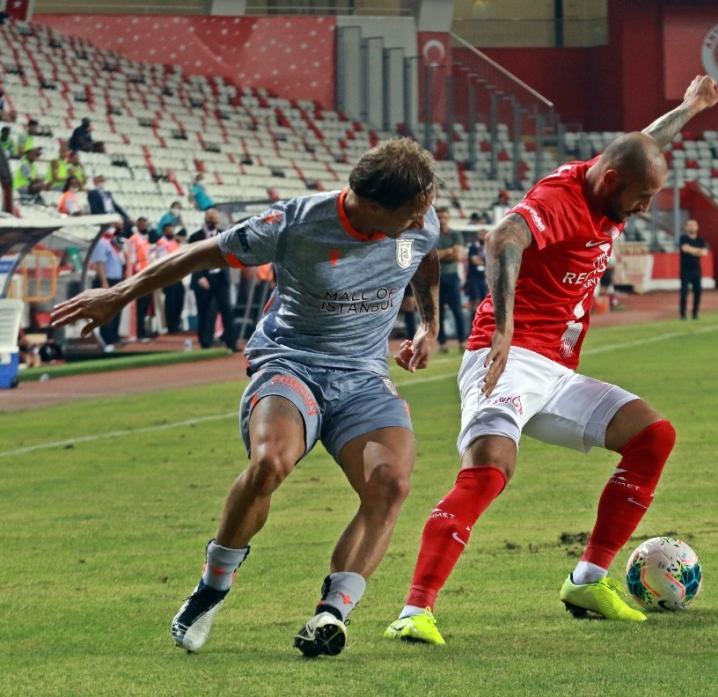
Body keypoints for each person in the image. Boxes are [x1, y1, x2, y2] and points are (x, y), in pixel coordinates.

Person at [51, 137, 441, 658]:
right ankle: (211, 589)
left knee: (390, 484)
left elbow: (424, 256)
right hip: (291, 361)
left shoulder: (419, 222)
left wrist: (429, 325)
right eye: (410, 215)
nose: (422, 222)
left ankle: (332, 613)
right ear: (368, 204)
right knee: (268, 464)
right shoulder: (296, 223)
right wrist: (119, 294)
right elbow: (200, 255)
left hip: (364, 374)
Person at [383, 74, 718, 646]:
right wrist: (505, 330)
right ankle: (416, 609)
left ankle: (587, 580)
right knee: (489, 472)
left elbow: (642, 142)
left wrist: (690, 107)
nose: (643, 209)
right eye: (641, 197)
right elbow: (501, 240)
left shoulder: (609, 176)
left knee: (654, 437)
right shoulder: (562, 201)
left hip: (556, 372)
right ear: (612, 181)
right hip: (507, 359)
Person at [188, 208, 237, 351]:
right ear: (205, 219)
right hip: (203, 278)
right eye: (210, 219)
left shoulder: (224, 235)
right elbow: (192, 260)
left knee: (227, 310)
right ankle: (205, 343)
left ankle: (231, 343)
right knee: (205, 311)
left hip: (221, 278)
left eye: (215, 219)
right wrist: (199, 276)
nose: (213, 222)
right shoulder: (195, 237)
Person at [87, 227, 126, 351]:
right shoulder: (101, 243)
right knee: (107, 311)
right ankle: (107, 339)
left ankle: (114, 337)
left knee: (116, 310)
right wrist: (104, 282)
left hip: (116, 280)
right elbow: (100, 263)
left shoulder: (111, 243)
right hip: (107, 280)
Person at [435, 206, 467, 352]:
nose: (442, 220)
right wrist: (449, 251)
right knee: (438, 313)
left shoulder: (455, 234)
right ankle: (442, 344)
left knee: (457, 311)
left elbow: (458, 255)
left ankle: (462, 342)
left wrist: (440, 254)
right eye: (439, 217)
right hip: (436, 278)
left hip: (452, 277)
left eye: (444, 217)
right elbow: (430, 256)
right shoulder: (433, 234)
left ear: (448, 218)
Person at [152, 222, 186, 333]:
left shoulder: (175, 242)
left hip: (178, 275)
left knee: (179, 299)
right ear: (164, 231)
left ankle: (176, 323)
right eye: (169, 230)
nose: (171, 231)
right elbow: (163, 259)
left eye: (172, 229)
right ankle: (171, 326)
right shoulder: (161, 243)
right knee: (170, 302)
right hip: (168, 275)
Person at [679, 219, 708, 320]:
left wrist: (692, 250)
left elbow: (704, 253)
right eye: (689, 225)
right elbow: (685, 249)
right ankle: (682, 314)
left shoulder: (700, 240)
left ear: (697, 227)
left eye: (693, 225)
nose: (691, 227)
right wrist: (698, 251)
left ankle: (695, 313)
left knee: (698, 292)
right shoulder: (683, 238)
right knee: (684, 292)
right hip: (685, 269)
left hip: (696, 269)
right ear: (686, 227)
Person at [465, 228, 488, 328]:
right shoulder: (473, 247)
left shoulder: (488, 247)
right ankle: (473, 328)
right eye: (481, 234)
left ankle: (482, 327)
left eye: (485, 234)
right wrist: (487, 263)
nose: (483, 236)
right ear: (477, 236)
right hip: (474, 279)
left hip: (484, 279)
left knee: (485, 304)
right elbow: (474, 260)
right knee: (475, 303)